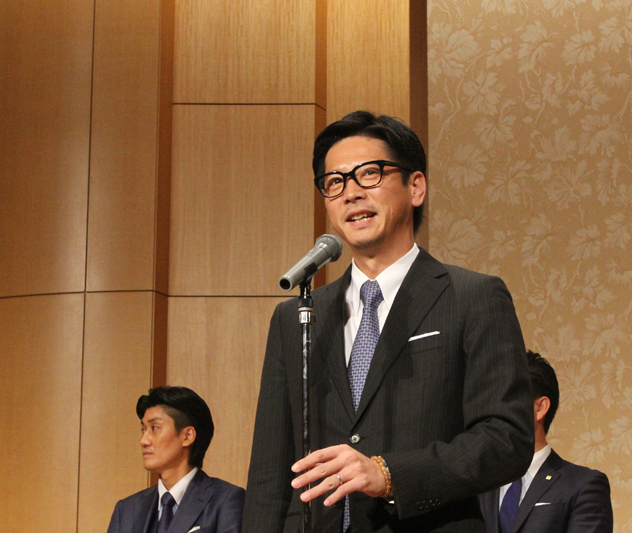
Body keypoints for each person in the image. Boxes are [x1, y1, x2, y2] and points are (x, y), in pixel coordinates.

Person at [242, 110, 535, 532]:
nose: (350, 193)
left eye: (369, 174)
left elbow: (507, 439)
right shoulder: (298, 317)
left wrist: (389, 474)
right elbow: (269, 473)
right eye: (334, 182)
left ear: (415, 187)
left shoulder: (472, 296)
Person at [479, 351, 613, 533]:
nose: (493, 410)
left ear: (540, 408)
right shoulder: (478, 486)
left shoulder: (583, 486)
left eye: (506, 399)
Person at [108, 386, 245, 533]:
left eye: (155, 428)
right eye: (143, 430)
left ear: (187, 436)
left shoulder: (225, 500)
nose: (144, 441)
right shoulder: (126, 510)